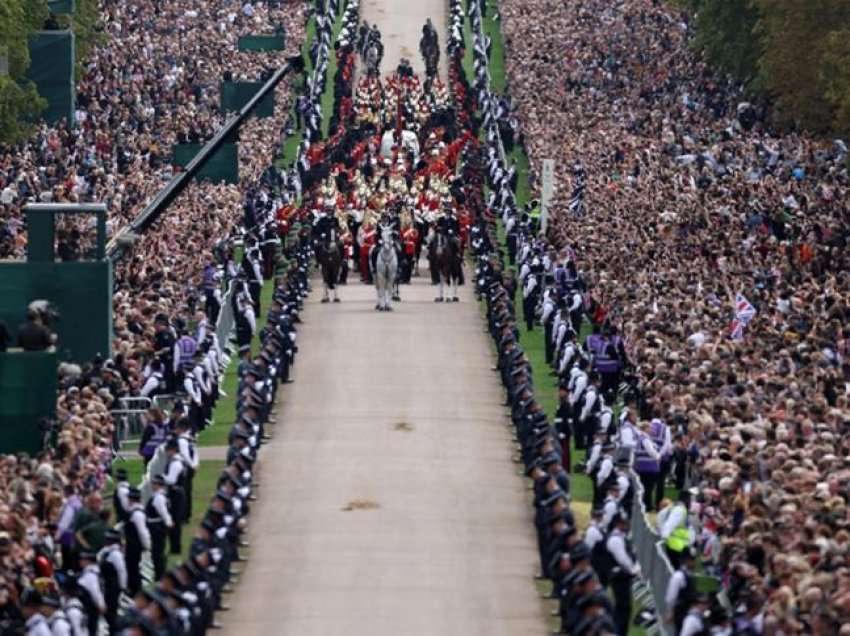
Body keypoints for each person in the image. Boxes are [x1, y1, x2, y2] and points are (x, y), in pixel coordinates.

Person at [604, 513, 639, 636]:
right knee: (623, 607)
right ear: (618, 524)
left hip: (623, 576)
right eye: (625, 523)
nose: (627, 525)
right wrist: (633, 569)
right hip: (619, 577)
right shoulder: (615, 539)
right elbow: (622, 558)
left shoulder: (621, 537)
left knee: (624, 607)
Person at [98, 529, 126, 632]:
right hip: (106, 585)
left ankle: (115, 630)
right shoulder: (106, 551)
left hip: (113, 586)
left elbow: (121, 571)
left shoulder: (116, 554)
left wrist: (122, 586)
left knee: (111, 611)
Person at [124, 486, 149, 597]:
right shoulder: (134, 512)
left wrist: (146, 545)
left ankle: (136, 590)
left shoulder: (137, 514)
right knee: (131, 567)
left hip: (134, 545)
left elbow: (142, 532)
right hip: (132, 544)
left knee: (133, 568)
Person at [147, 475, 174, 581]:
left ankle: (159, 574)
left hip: (156, 527)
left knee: (157, 552)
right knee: (158, 551)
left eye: (154, 484)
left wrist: (168, 523)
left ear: (159, 485)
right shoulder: (162, 496)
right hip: (158, 526)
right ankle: (159, 572)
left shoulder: (158, 497)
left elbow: (163, 512)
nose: (152, 485)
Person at [76, 552, 105, 636]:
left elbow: (95, 592)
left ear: (89, 561)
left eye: (83, 560)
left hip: (90, 607)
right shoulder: (92, 572)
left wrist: (101, 605)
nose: (80, 562)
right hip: (90, 607)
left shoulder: (90, 574)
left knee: (90, 629)